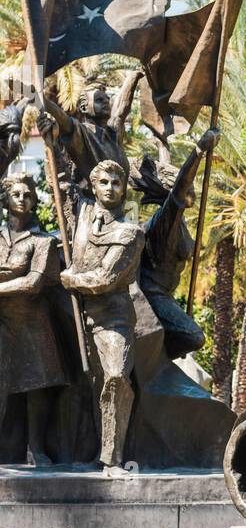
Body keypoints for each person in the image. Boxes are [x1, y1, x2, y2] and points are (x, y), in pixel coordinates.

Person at [59, 160, 145, 476]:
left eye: (116, 183)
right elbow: (61, 179)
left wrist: (71, 280)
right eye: (104, 182)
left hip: (114, 318)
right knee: (92, 387)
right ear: (94, 186)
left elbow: (104, 278)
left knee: (117, 377)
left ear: (124, 189)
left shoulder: (130, 233)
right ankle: (86, 452)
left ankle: (113, 460)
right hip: (77, 317)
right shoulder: (81, 214)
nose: (110, 188)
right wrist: (52, 130)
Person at [0, 173, 67, 465]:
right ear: (5, 200)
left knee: (36, 388)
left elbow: (34, 282)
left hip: (33, 323)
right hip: (3, 322)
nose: (22, 199)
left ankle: (36, 448)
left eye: (27, 194)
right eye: (16, 194)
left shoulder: (43, 241)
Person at [137, 128, 219, 358]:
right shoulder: (165, 219)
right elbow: (181, 184)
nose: (191, 187)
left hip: (167, 296)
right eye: (187, 183)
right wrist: (199, 150)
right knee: (194, 337)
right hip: (153, 296)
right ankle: (156, 359)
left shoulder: (177, 222)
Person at [37, 70, 142, 195]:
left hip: (120, 208)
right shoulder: (80, 133)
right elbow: (61, 116)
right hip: (92, 207)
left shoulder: (113, 134)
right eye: (99, 100)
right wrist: (32, 93)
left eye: (106, 99)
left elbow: (121, 108)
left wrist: (133, 77)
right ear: (83, 107)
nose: (106, 102)